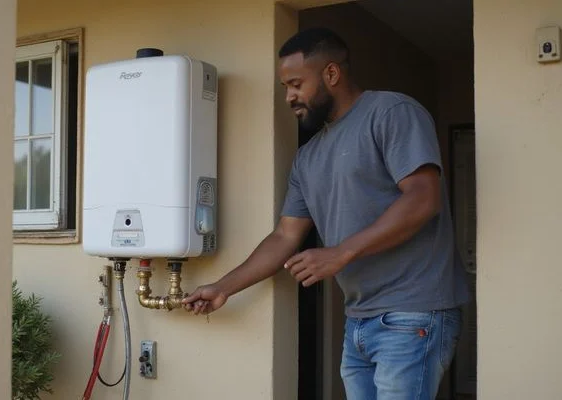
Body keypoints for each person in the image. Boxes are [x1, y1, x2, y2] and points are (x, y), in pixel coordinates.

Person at [182, 27, 470, 399]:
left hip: (412, 314)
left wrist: (340, 252)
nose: (289, 97)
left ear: (331, 74)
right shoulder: (308, 157)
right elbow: (285, 236)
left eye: (296, 84)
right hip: (360, 322)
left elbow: (423, 198)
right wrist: (222, 288)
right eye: (285, 87)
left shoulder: (391, 112)